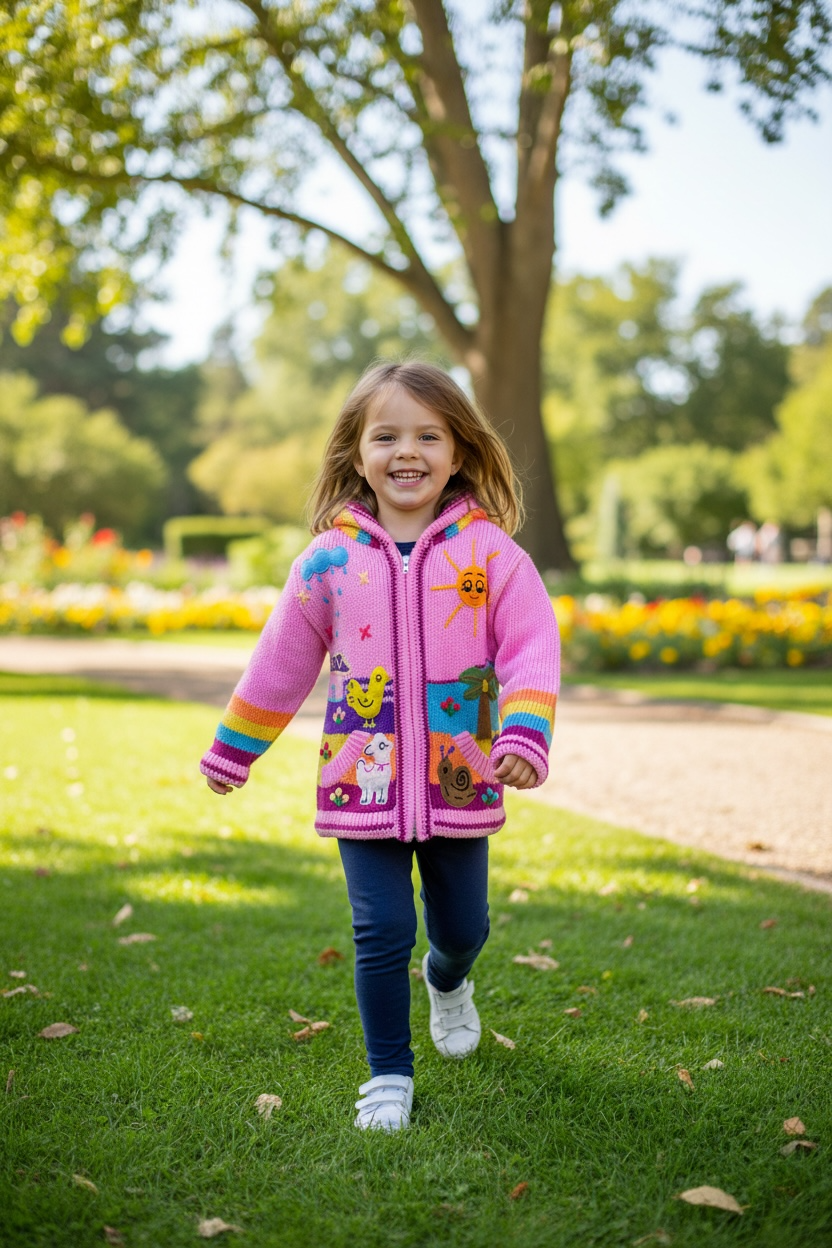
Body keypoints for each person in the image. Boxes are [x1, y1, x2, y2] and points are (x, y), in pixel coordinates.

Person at [200, 361, 560, 1131]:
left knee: (464, 929)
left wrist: (526, 733)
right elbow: (281, 662)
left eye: (429, 435)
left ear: (458, 452)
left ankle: (448, 980)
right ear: (357, 454)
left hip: (461, 779)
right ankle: (389, 1074)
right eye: (386, 435)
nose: (408, 451)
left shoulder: (492, 554)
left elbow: (532, 645)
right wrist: (236, 747)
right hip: (359, 782)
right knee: (381, 928)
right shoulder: (327, 561)